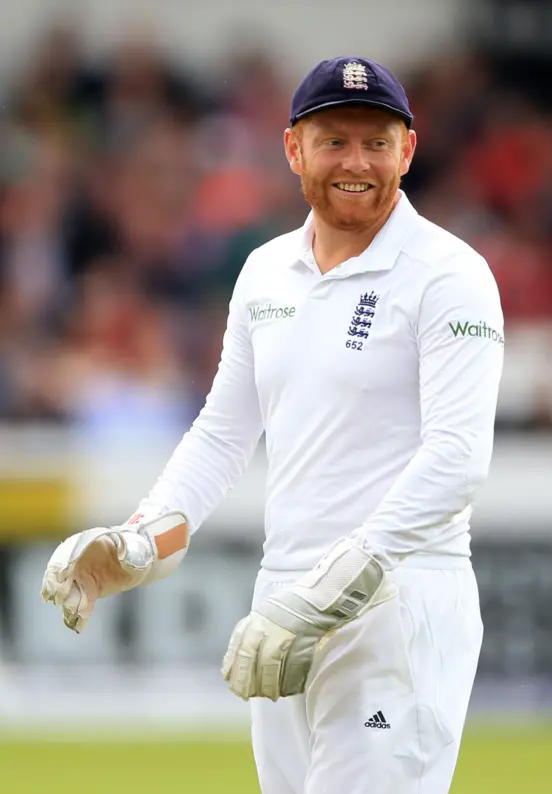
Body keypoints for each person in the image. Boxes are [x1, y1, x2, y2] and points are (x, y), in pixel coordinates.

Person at [42, 57, 504, 794]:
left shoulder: (450, 274)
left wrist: (327, 593)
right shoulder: (263, 272)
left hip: (396, 602)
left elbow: (457, 459)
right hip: (282, 603)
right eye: (334, 141)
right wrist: (138, 543)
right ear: (293, 149)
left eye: (377, 143)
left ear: (407, 151)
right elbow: (224, 434)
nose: (357, 162)